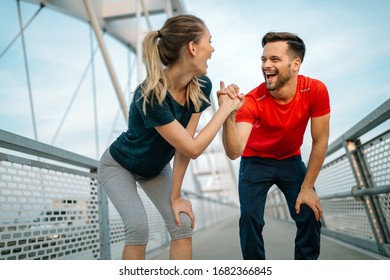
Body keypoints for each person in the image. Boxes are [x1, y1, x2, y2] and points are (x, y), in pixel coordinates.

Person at [98, 14, 240, 260]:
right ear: (193, 48)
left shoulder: (201, 86)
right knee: (138, 227)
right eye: (209, 40)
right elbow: (195, 148)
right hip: (118, 165)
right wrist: (225, 109)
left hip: (153, 168)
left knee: (181, 224)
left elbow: (185, 148)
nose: (213, 48)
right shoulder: (151, 96)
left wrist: (176, 197)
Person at [218, 31, 331, 260]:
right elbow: (234, 152)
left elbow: (320, 141)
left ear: (295, 64)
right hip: (255, 161)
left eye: (274, 59)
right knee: (250, 217)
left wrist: (307, 188)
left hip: (290, 159)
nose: (266, 65)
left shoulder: (315, 90)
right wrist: (228, 115)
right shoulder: (251, 101)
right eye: (263, 59)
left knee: (309, 212)